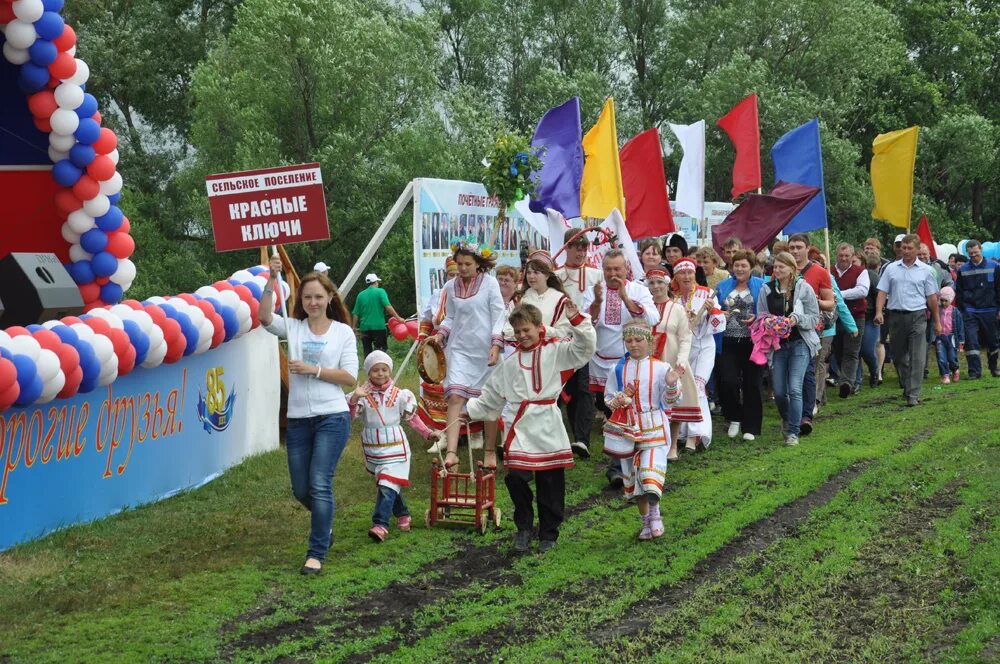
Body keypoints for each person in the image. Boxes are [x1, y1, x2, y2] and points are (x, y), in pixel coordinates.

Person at [464, 302, 595, 553]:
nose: (522, 335)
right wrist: (468, 412)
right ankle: (523, 527)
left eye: (527, 330)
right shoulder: (511, 364)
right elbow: (491, 395)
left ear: (538, 326)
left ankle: (549, 533)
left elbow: (585, 348)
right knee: (515, 478)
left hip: (547, 421)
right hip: (520, 423)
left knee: (550, 481)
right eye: (518, 331)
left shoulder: (557, 352)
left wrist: (577, 320)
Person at [261, 256, 358, 575]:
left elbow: (350, 378)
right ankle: (325, 524)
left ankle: (316, 552)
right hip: (299, 420)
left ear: (330, 297)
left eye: (318, 296)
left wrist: (314, 370)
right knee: (301, 489)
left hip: (332, 417)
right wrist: (271, 279)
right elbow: (264, 318)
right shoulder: (294, 327)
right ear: (299, 300)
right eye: (307, 297)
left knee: (319, 482)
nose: (313, 302)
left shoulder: (343, 333)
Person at [427, 240, 506, 469]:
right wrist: (440, 335)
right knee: (455, 397)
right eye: (459, 263)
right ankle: (452, 452)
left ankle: (490, 451)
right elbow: (450, 317)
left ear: (478, 264)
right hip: (459, 348)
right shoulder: (451, 287)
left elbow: (498, 316)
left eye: (467, 264)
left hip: (485, 352)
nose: (461, 268)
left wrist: (495, 345)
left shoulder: (490, 284)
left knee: (489, 401)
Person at [583, 249, 658, 487]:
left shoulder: (638, 290)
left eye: (617, 269)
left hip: (631, 360)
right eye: (608, 269)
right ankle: (622, 461)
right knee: (612, 412)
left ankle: (622, 466)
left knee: (628, 411)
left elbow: (652, 319)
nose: (613, 274)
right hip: (601, 360)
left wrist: (625, 297)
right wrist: (596, 302)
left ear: (626, 268)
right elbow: (585, 322)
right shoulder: (596, 289)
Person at [348, 351, 440, 542]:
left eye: (384, 369)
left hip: (396, 447)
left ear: (390, 371)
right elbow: (349, 416)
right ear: (368, 372)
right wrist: (355, 398)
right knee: (388, 483)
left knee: (387, 483)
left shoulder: (401, 395)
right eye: (375, 370)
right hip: (373, 448)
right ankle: (403, 513)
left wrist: (428, 433)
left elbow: (412, 418)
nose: (380, 374)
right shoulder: (363, 395)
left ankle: (380, 524)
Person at [602, 319, 682, 540]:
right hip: (628, 431)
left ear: (649, 341)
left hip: (654, 426)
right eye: (629, 340)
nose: (633, 344)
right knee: (634, 478)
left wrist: (672, 383)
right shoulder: (617, 369)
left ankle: (656, 516)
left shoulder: (660, 368)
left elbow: (671, 400)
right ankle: (645, 522)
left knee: (649, 474)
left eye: (638, 340)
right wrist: (617, 400)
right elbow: (608, 399)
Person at [756, 252, 820, 446]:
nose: (777, 270)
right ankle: (787, 418)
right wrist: (768, 321)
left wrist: (795, 319)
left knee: (794, 388)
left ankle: (793, 432)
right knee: (780, 390)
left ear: (792, 269)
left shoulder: (804, 288)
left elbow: (814, 318)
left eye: (781, 267)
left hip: (800, 342)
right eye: (775, 267)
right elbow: (760, 315)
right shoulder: (766, 289)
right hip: (778, 346)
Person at [875, 233, 942, 406]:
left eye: (909, 248)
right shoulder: (891, 268)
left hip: (917, 316)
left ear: (917, 249)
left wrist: (937, 321)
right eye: (903, 248)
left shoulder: (927, 271)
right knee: (898, 357)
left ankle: (913, 394)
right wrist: (878, 312)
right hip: (895, 316)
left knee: (917, 356)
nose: (905, 251)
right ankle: (907, 385)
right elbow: (882, 291)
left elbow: (932, 298)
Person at [555, 229, 603, 460]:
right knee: (556, 390)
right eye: (577, 247)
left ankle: (581, 440)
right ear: (566, 248)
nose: (581, 252)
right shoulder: (555, 275)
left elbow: (599, 306)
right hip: (558, 340)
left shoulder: (596, 275)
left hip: (583, 340)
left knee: (582, 389)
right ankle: (555, 440)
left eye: (585, 247)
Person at [670, 257, 725, 451]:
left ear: (695, 274)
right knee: (683, 389)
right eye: (682, 273)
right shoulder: (672, 298)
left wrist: (711, 312)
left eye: (690, 272)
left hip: (703, 347)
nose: (686, 277)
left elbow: (719, 323)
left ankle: (697, 435)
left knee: (699, 387)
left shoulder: (707, 293)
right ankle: (684, 432)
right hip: (682, 350)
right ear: (676, 276)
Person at [786, 234, 835, 435]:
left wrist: (814, 300)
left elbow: (830, 303)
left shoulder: (819, 272)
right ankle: (792, 413)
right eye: (792, 247)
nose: (795, 251)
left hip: (810, 330)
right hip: (786, 330)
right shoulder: (781, 269)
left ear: (807, 248)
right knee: (788, 374)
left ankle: (806, 415)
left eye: (799, 247)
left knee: (807, 372)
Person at [715, 250, 765, 441]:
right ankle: (734, 417)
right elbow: (714, 308)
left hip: (753, 342)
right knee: (728, 381)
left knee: (752, 383)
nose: (739, 269)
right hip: (727, 341)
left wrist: (757, 318)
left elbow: (767, 310)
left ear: (751, 267)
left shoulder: (761, 286)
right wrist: (720, 313)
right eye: (736, 265)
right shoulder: (722, 286)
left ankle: (751, 426)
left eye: (744, 265)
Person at [648, 268, 697, 460]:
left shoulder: (677, 309)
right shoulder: (645, 307)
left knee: (674, 401)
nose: (656, 286)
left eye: (660, 282)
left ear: (667, 283)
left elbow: (685, 337)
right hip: (649, 361)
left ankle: (673, 445)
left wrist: (681, 362)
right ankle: (653, 443)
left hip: (671, 358)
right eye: (652, 283)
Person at [418, 258, 457, 451]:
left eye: (458, 274)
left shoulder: (471, 295)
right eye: (451, 274)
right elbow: (426, 319)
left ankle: (474, 432)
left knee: (462, 390)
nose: (455, 278)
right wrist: (423, 340)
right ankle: (441, 433)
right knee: (436, 389)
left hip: (462, 348)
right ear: (445, 275)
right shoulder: (437, 294)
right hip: (439, 347)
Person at [954, 240, 1000, 378]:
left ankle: (994, 367)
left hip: (990, 309)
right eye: (971, 253)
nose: (973, 255)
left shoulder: (995, 266)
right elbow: (959, 291)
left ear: (981, 250)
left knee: (993, 341)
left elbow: (999, 288)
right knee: (972, 341)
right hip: (970, 311)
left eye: (976, 252)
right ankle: (974, 371)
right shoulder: (963, 269)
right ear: (967, 253)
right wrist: (963, 309)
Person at [832, 243, 868, 399]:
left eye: (847, 256)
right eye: (841, 255)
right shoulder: (829, 271)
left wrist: (839, 294)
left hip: (855, 315)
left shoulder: (861, 272)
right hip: (834, 317)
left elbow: (862, 290)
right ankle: (845, 377)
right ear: (836, 255)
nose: (844, 259)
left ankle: (847, 382)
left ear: (852, 257)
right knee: (837, 350)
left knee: (852, 351)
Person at [520, 251, 573, 338]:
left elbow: (564, 331)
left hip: (551, 349)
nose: (531, 276)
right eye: (529, 273)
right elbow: (508, 328)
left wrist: (542, 330)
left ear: (547, 275)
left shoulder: (560, 299)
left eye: (536, 272)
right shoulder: (521, 297)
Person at [352, 273, 401, 357]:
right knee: (381, 353)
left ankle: (369, 369)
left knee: (367, 354)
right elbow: (388, 307)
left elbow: (356, 313)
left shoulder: (360, 295)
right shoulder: (380, 291)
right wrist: (398, 318)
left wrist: (353, 328)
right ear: (375, 282)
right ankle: (380, 369)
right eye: (377, 282)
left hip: (364, 328)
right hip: (378, 327)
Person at [934, 286, 964, 384]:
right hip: (940, 337)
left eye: (945, 300)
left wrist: (961, 342)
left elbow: (960, 327)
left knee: (952, 357)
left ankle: (955, 370)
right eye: (941, 300)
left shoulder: (955, 312)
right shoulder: (937, 311)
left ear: (950, 300)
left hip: (951, 337)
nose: (943, 303)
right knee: (941, 357)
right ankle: (945, 375)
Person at [496, 264, 521, 358]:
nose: (502, 283)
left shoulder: (520, 301)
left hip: (514, 348)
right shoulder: (489, 299)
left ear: (515, 283)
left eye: (506, 280)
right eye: (500, 279)